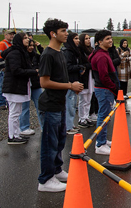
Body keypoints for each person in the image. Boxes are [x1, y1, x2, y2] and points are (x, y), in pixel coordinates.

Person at [38, 18, 83, 192]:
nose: (67, 34)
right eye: (63, 30)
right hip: (49, 106)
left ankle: (56, 170)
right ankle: (45, 180)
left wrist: (72, 86)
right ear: (53, 33)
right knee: (49, 143)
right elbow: (44, 82)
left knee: (59, 141)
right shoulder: (48, 54)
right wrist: (70, 86)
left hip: (59, 104)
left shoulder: (60, 53)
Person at [2, 32, 39, 144]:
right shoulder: (15, 53)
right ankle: (12, 135)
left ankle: (16, 134)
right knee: (14, 112)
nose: (28, 40)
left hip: (17, 86)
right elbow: (16, 70)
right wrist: (33, 72)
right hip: (14, 87)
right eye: (25, 38)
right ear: (19, 40)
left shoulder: (21, 52)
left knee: (17, 112)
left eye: (28, 38)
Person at [89, 30, 119, 155]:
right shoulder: (101, 56)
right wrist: (114, 88)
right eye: (107, 39)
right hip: (105, 90)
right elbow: (104, 77)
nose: (110, 41)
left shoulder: (103, 53)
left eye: (110, 38)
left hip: (105, 89)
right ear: (99, 42)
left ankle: (103, 140)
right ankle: (100, 144)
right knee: (103, 116)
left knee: (105, 116)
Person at [19, 39, 43, 136]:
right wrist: (34, 71)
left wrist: (40, 47)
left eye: (33, 45)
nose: (31, 47)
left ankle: (44, 126)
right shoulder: (21, 56)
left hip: (36, 85)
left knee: (41, 106)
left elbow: (44, 57)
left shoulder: (36, 56)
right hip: (25, 85)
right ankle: (24, 127)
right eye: (29, 45)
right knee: (24, 108)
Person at [62, 32, 84, 135]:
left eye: (78, 38)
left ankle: (70, 124)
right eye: (75, 39)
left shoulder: (74, 51)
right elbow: (67, 67)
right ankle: (68, 126)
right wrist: (79, 67)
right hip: (70, 81)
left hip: (75, 79)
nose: (78, 40)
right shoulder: (68, 52)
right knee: (69, 104)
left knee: (72, 104)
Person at [77, 34, 94, 128]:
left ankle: (86, 116)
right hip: (84, 76)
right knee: (83, 98)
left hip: (90, 75)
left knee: (89, 97)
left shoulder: (91, 50)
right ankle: (81, 118)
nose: (88, 40)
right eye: (86, 39)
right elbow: (82, 64)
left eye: (88, 38)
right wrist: (90, 65)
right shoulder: (80, 51)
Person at [0, 29, 15, 110]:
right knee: (3, 86)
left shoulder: (10, 44)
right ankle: (1, 103)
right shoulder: (2, 44)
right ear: (5, 35)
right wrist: (3, 68)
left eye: (12, 34)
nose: (12, 36)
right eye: (10, 34)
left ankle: (5, 102)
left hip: (9, 69)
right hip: (4, 69)